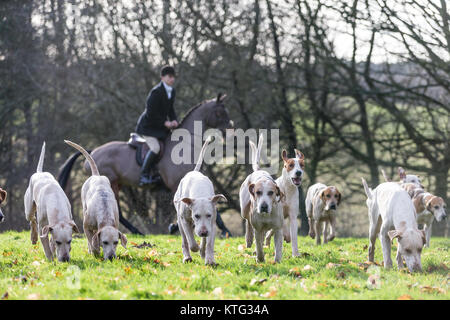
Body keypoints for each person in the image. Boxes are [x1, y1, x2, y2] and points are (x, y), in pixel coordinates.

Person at [136, 66, 178, 186]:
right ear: (162, 77)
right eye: (170, 76)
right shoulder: (156, 92)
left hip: (159, 127)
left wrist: (174, 120)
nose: (172, 79)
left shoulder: (172, 91)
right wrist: (165, 123)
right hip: (148, 127)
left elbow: (170, 110)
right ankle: (143, 175)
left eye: (173, 77)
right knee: (156, 148)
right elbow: (151, 114)